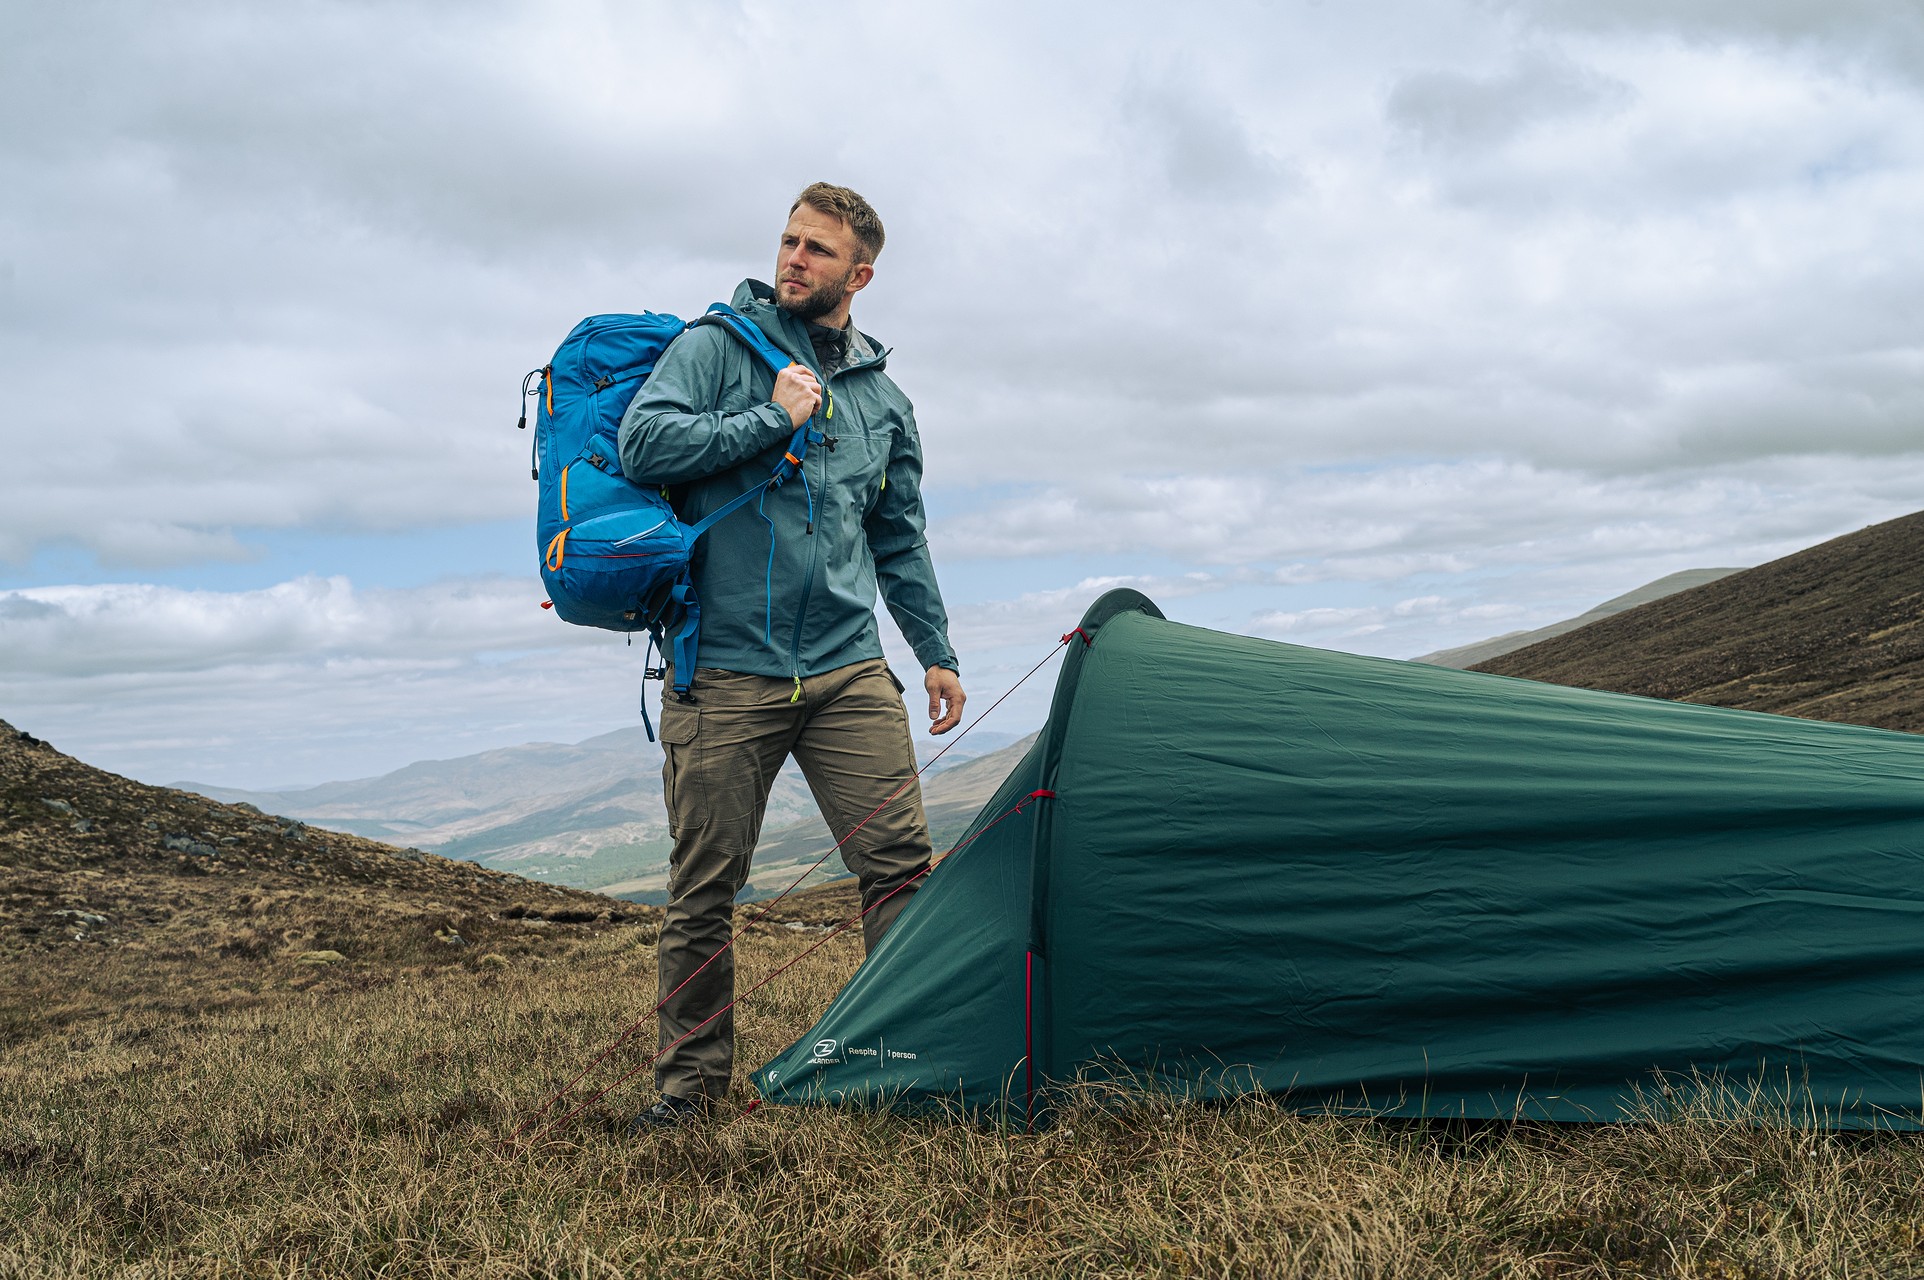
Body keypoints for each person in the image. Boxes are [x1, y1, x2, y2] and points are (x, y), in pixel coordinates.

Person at [616, 182, 965, 1128]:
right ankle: (687, 1095)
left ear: (859, 275)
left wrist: (933, 650)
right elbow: (643, 443)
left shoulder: (884, 401)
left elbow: (898, 535)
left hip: (849, 668)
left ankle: (906, 1064)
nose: (793, 260)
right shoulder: (715, 350)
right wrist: (772, 417)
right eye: (787, 241)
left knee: (898, 866)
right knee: (705, 891)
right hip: (726, 669)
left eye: (816, 250)